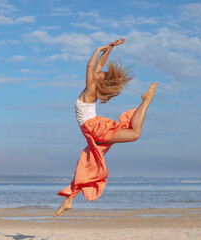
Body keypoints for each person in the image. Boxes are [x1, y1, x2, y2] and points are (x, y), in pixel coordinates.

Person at [54, 38, 158, 217]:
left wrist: (97, 50)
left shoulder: (91, 89)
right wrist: (109, 48)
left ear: (99, 80)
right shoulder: (92, 86)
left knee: (134, 133)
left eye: (101, 73)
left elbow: (90, 66)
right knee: (88, 164)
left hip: (94, 128)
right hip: (92, 131)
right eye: (100, 71)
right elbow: (98, 65)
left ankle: (146, 100)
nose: (99, 71)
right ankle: (69, 200)